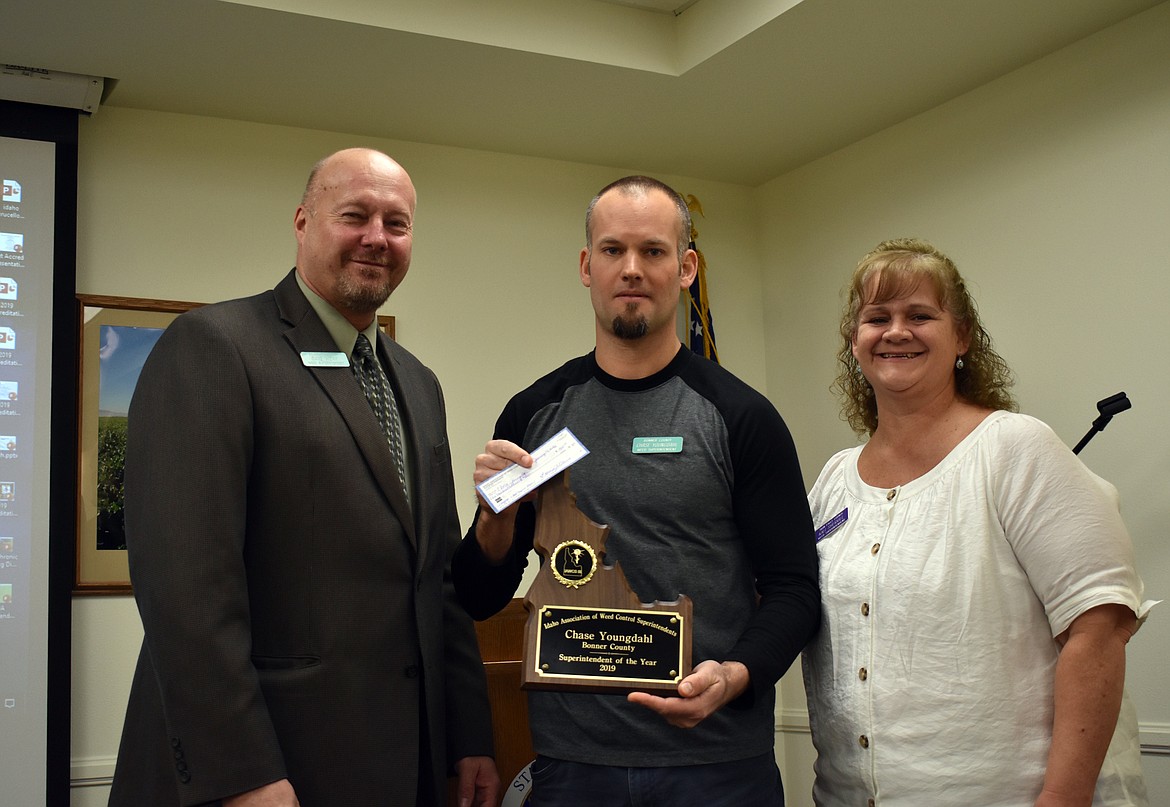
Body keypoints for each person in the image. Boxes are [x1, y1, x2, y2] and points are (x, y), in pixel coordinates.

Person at [109, 148, 500, 807]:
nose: (377, 237)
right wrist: (241, 772)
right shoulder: (215, 345)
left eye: (397, 223)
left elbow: (437, 581)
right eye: (355, 215)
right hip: (266, 771)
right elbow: (186, 590)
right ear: (302, 221)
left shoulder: (419, 383)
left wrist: (469, 736)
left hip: (404, 769)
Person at [451, 176, 820, 806]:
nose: (632, 269)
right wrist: (493, 517)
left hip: (718, 765)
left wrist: (733, 678)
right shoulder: (534, 415)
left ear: (685, 268)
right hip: (573, 767)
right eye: (613, 250)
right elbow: (480, 596)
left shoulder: (741, 416)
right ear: (586, 266)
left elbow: (794, 590)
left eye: (653, 251)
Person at [802, 237, 1154, 806]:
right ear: (855, 340)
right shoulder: (836, 479)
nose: (896, 332)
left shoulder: (1015, 448)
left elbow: (1100, 625)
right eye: (877, 318)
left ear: (962, 336)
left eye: (920, 315)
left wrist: (1062, 798)